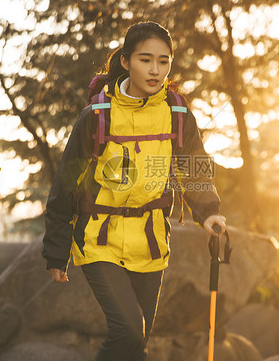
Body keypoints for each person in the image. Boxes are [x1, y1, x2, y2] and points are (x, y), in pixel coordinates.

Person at [42, 21, 226, 361]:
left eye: (163, 61)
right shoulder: (97, 115)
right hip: (99, 239)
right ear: (125, 61)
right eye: (145, 60)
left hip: (151, 240)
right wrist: (57, 248)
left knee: (136, 344)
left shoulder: (178, 114)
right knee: (128, 330)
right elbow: (66, 181)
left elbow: (194, 166)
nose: (156, 70)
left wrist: (209, 210)